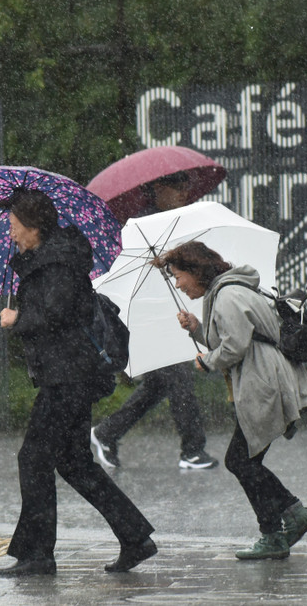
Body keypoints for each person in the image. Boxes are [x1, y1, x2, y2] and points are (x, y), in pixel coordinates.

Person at [0, 188, 157, 577]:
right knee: (74, 462)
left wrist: (18, 321)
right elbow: (54, 312)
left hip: (69, 378)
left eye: (15, 226)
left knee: (33, 458)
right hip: (68, 375)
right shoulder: (48, 260)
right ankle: (134, 537)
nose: (11, 234)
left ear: (34, 228)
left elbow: (57, 314)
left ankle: (37, 555)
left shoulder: (58, 263)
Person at [157, 240, 307, 560]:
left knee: (239, 460)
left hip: (263, 384)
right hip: (264, 380)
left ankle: (284, 523)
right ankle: (280, 526)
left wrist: (207, 362)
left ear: (194, 270)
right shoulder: (226, 292)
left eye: (178, 276)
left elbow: (233, 346)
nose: (177, 284)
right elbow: (230, 335)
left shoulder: (227, 295)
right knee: (246, 461)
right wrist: (196, 328)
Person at [90, 172, 218, 470]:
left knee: (160, 385)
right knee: (179, 379)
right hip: (147, 321)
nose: (184, 191)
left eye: (186, 185)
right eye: (178, 186)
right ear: (158, 188)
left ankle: (106, 432)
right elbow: (129, 277)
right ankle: (192, 450)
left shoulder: (175, 222)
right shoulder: (142, 228)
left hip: (164, 317)